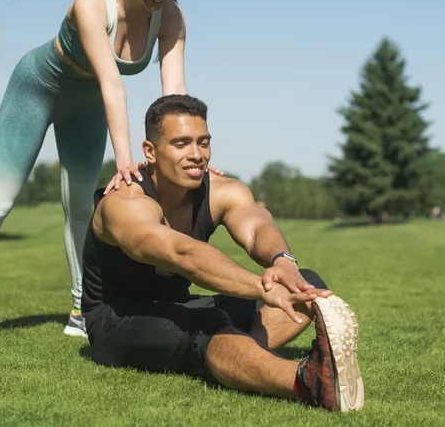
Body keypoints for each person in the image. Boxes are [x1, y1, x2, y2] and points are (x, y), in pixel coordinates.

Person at [0, 0, 222, 350]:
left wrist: (188, 150)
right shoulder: (91, 5)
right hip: (37, 90)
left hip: (87, 105)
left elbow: (175, 98)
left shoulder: (171, 17)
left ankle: (80, 309)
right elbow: (114, 85)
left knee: (81, 208)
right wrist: (128, 162)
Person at [80, 95, 364, 412]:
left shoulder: (220, 190)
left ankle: (242, 360)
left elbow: (257, 225)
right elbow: (181, 253)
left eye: (204, 143)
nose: (197, 154)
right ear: (151, 152)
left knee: (303, 283)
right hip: (117, 321)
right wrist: (260, 287)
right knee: (209, 323)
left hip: (179, 306)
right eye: (181, 144)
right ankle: (309, 382)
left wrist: (283, 262)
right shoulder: (125, 203)